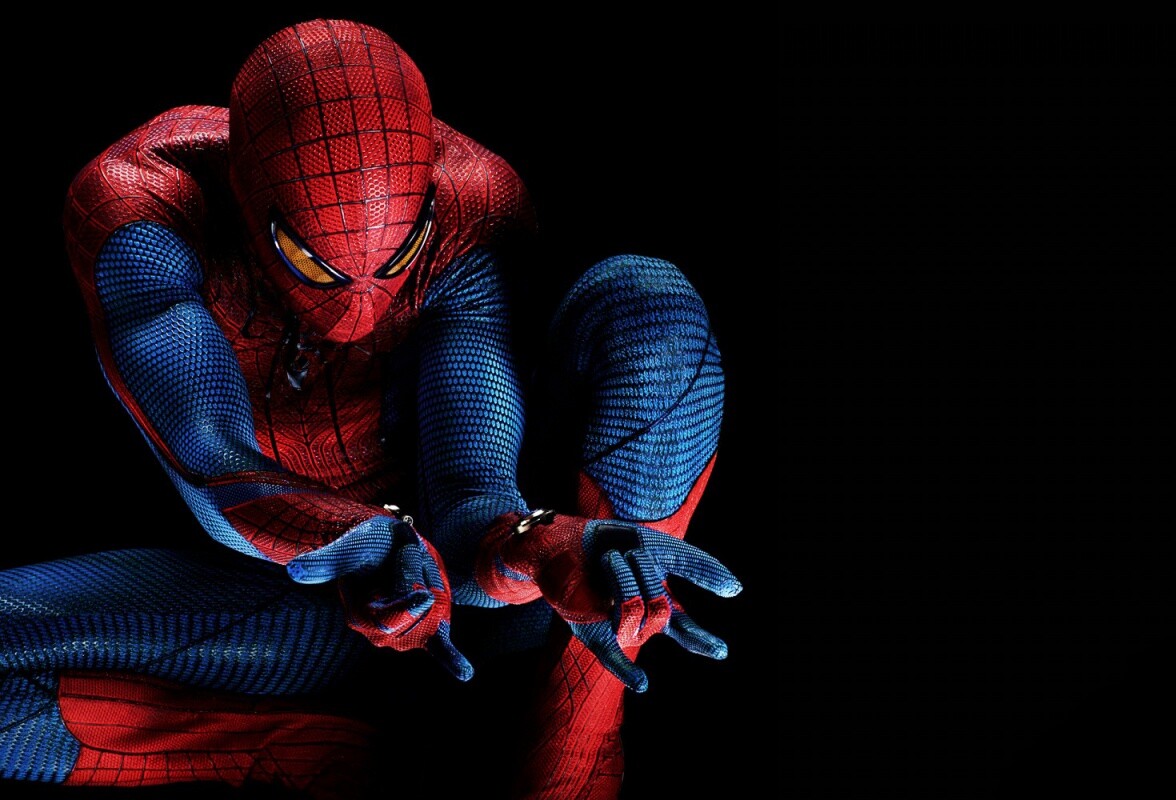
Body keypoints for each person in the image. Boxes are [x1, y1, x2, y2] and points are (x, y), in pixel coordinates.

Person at [0, 18, 738, 799]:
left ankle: (579, 733)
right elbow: (211, 459)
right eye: (313, 264)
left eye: (399, 258)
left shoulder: (472, 207)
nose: (362, 304)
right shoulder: (145, 206)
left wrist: (541, 545)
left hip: (487, 592)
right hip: (298, 598)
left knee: (650, 304)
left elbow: (471, 491)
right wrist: (360, 542)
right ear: (248, 203)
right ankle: (335, 758)